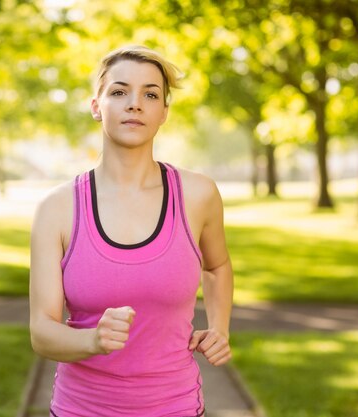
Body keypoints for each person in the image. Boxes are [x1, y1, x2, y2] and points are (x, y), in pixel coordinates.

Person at [29, 45, 233, 417]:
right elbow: (42, 332)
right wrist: (92, 340)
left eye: (150, 94)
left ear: (163, 112)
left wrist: (219, 327)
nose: (135, 103)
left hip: (177, 408)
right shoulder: (56, 209)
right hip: (80, 410)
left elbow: (217, 267)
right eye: (119, 91)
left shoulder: (198, 195)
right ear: (96, 106)